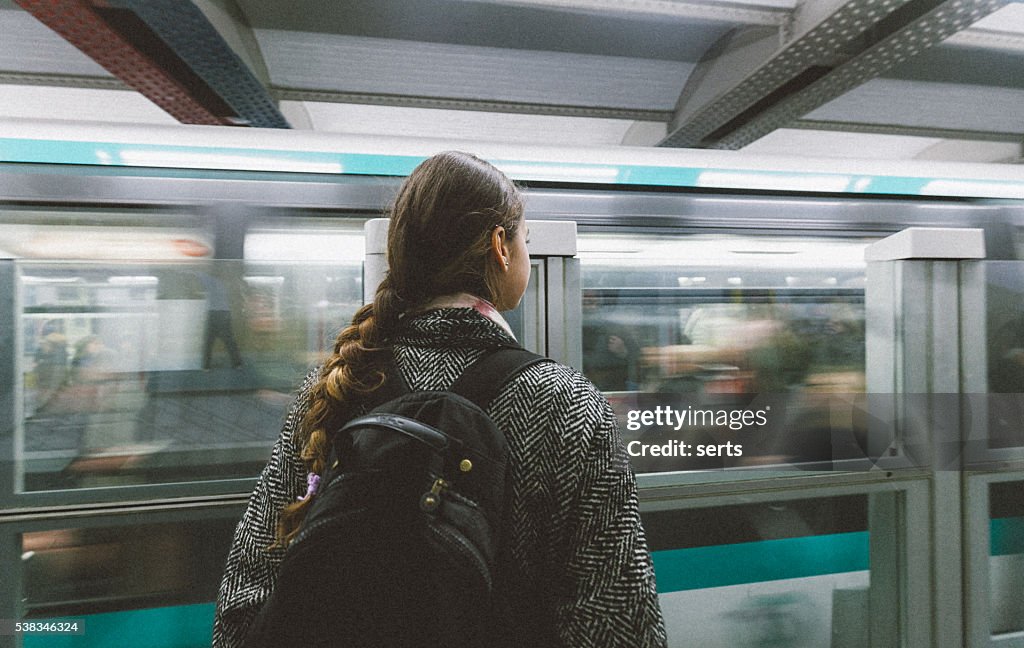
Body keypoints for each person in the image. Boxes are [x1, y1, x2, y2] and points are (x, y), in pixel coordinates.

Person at [212, 151, 667, 647]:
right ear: (500, 246)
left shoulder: (336, 388)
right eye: (525, 241)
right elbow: (620, 622)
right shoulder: (567, 405)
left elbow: (246, 597)